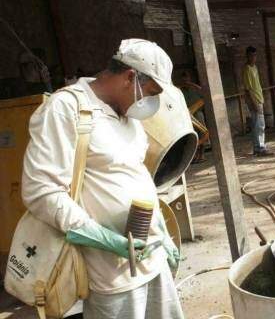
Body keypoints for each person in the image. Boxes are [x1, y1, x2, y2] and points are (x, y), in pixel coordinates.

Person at [21, 39, 184, 319]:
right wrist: (106, 240)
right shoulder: (66, 108)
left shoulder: (128, 115)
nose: (151, 101)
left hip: (152, 261)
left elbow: (134, 173)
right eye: (150, 91)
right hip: (111, 275)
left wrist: (162, 232)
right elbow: (41, 191)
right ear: (130, 77)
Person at [242, 46, 272, 156]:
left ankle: (259, 147)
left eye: (255, 55)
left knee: (260, 124)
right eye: (251, 55)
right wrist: (254, 103)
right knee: (258, 125)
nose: (253, 57)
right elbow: (248, 89)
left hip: (259, 99)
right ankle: (259, 148)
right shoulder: (247, 69)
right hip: (254, 100)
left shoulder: (254, 67)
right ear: (247, 56)